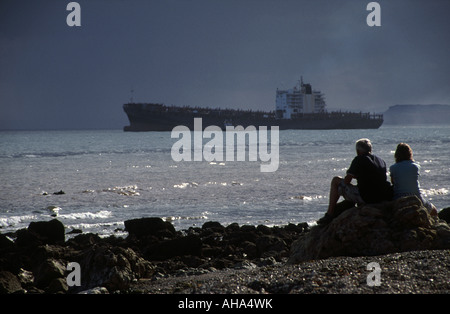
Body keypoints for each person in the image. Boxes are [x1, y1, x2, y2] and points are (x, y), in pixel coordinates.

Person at [318, 138, 392, 225]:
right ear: (370, 149)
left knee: (335, 180)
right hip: (381, 196)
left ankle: (329, 214)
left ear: (358, 150)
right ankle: (348, 205)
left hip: (367, 197)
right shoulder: (381, 161)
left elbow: (347, 181)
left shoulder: (359, 159)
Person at [389, 143, 437, 216]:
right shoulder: (416, 166)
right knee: (433, 210)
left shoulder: (393, 167)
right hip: (416, 197)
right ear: (410, 153)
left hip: (399, 197)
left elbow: (393, 182)